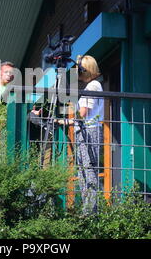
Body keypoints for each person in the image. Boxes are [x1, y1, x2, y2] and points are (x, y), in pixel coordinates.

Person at [57, 55, 104, 214]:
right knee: (83, 171)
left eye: (79, 70)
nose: (78, 73)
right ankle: (88, 208)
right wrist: (63, 121)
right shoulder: (91, 86)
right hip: (84, 130)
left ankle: (92, 210)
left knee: (88, 169)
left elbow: (83, 113)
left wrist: (66, 116)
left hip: (89, 131)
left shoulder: (93, 86)